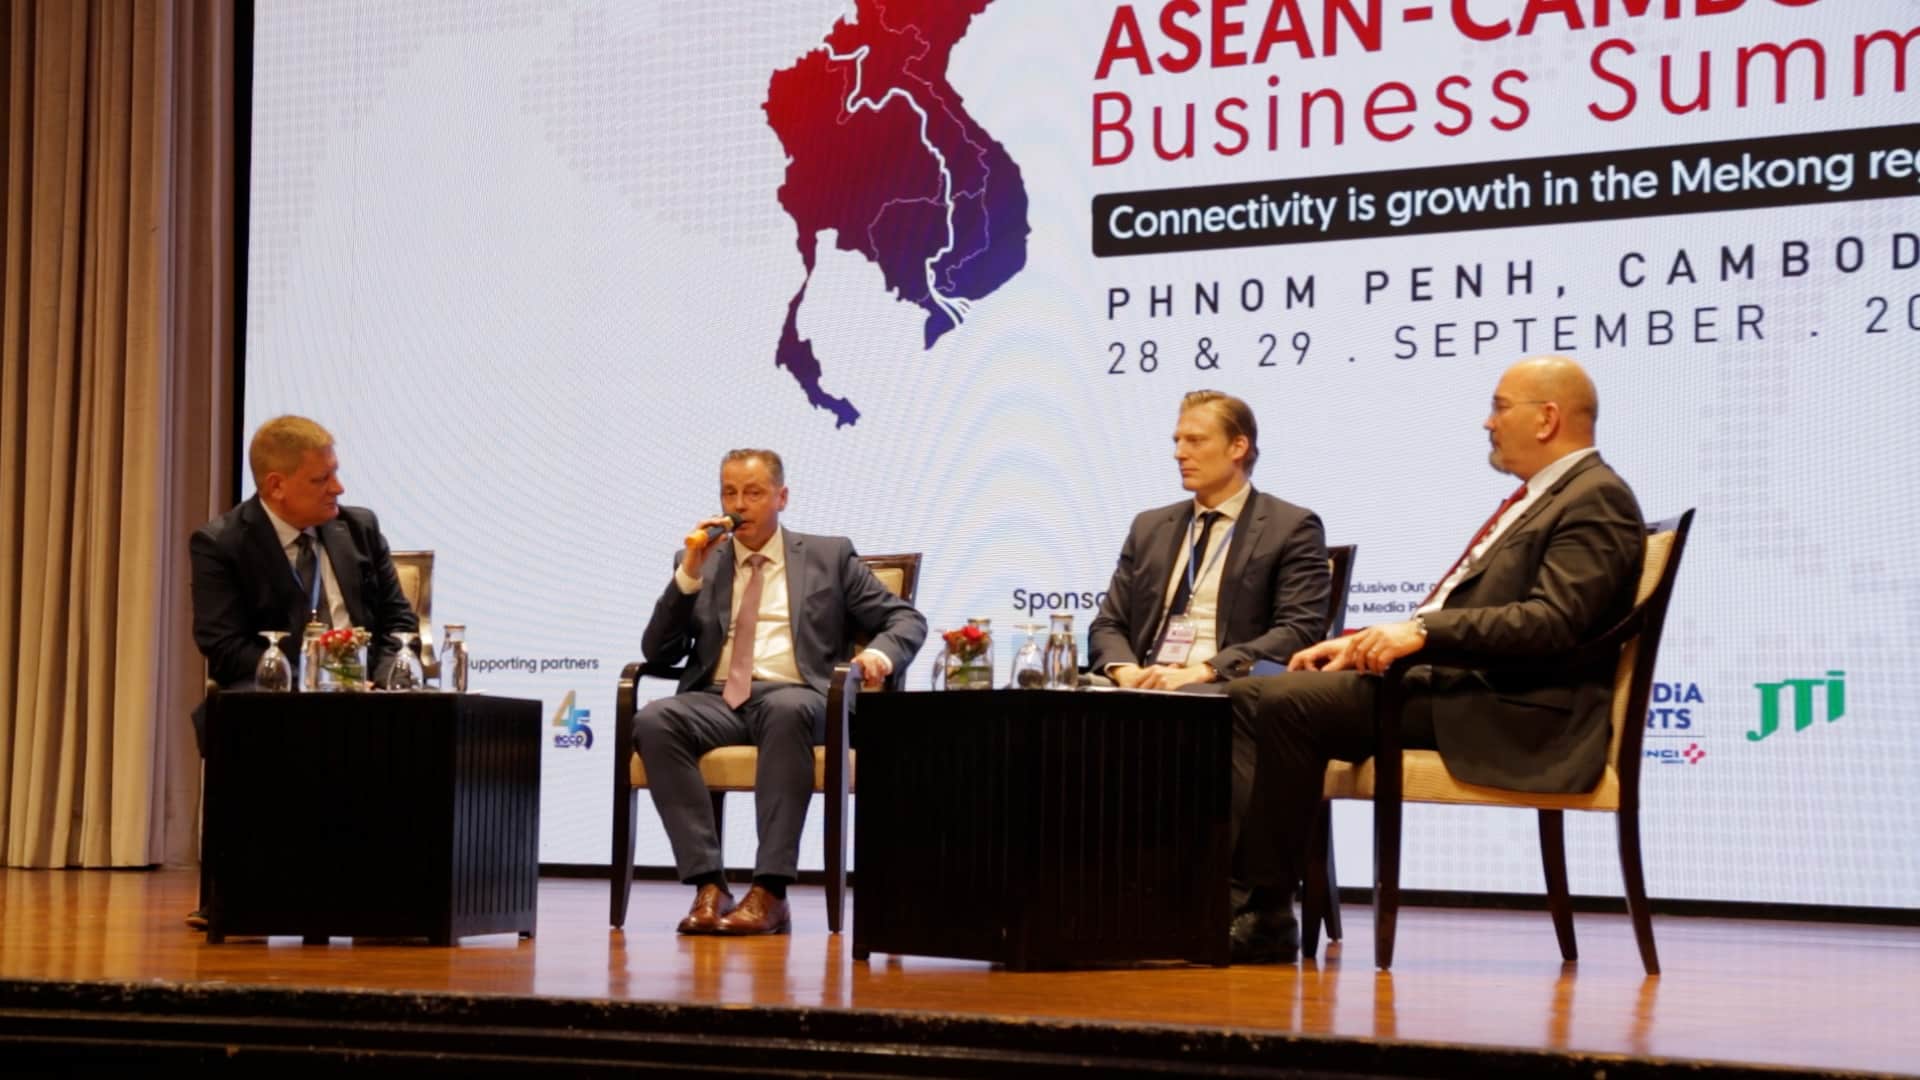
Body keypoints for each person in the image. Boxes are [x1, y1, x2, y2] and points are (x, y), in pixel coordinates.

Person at [1225, 356, 1645, 963]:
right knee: (1245, 695)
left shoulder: (1596, 497)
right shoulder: (1545, 497)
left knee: (1285, 704)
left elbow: (1552, 623)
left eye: (1500, 407)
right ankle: (1235, 900)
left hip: (1514, 710)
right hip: (1463, 688)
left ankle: (1262, 915)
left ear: (1547, 418)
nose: (1487, 422)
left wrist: (1421, 632)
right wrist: (1362, 643)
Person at [634, 449, 927, 936]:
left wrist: (880, 654)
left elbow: (904, 619)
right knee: (654, 720)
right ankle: (709, 885)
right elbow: (658, 652)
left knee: (786, 709)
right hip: (718, 700)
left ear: (781, 497)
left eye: (753, 493)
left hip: (801, 694)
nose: (738, 505)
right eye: (729, 493)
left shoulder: (827, 557)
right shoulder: (701, 562)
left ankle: (770, 890)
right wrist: (688, 576)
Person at [187, 415, 419, 927]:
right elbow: (224, 646)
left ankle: (400, 895)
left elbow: (398, 623)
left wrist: (382, 677)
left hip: (369, 693)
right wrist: (313, 679)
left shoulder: (359, 528)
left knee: (420, 722)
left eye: (335, 473)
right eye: (322, 478)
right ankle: (244, 892)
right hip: (280, 696)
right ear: (277, 485)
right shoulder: (221, 543)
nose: (339, 488)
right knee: (244, 720)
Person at [1088, 389, 1331, 691]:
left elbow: (1298, 630)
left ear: (1238, 447)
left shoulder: (1289, 527)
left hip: (1225, 687)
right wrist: (1125, 671)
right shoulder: (1150, 527)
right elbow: (1108, 623)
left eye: (1195, 440)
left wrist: (1206, 671)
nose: (1179, 453)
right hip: (1142, 685)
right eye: (1177, 441)